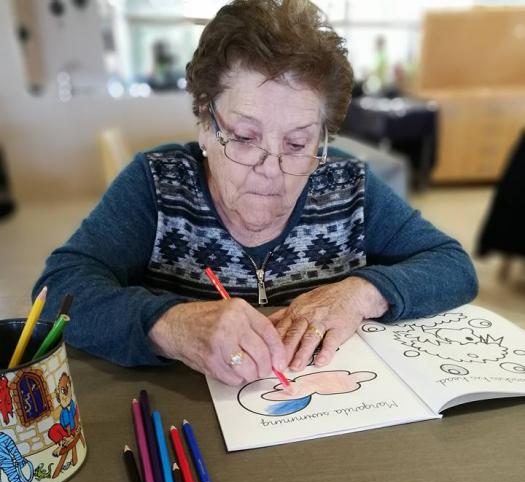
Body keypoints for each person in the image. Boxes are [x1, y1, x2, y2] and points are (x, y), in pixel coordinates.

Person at [32, 0, 478, 387]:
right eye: (245, 137)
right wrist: (168, 323)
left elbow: (453, 265)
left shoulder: (348, 184)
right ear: (205, 123)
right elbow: (58, 291)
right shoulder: (158, 183)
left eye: (297, 143)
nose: (271, 169)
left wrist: (362, 293)